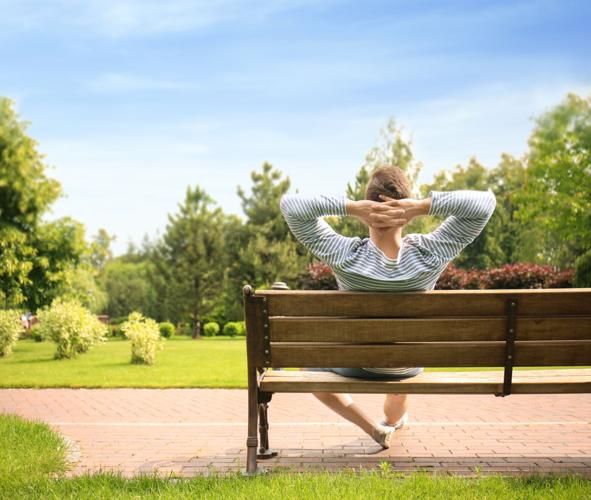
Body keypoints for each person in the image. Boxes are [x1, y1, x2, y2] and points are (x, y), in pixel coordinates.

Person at [280, 165, 496, 448]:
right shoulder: (430, 254)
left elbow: (290, 205)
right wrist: (421, 207)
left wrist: (351, 208)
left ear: (367, 207)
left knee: (309, 366)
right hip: (406, 365)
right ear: (405, 209)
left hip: (358, 363)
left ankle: (371, 427)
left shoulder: (345, 255)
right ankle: (392, 421)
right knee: (400, 367)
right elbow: (485, 203)